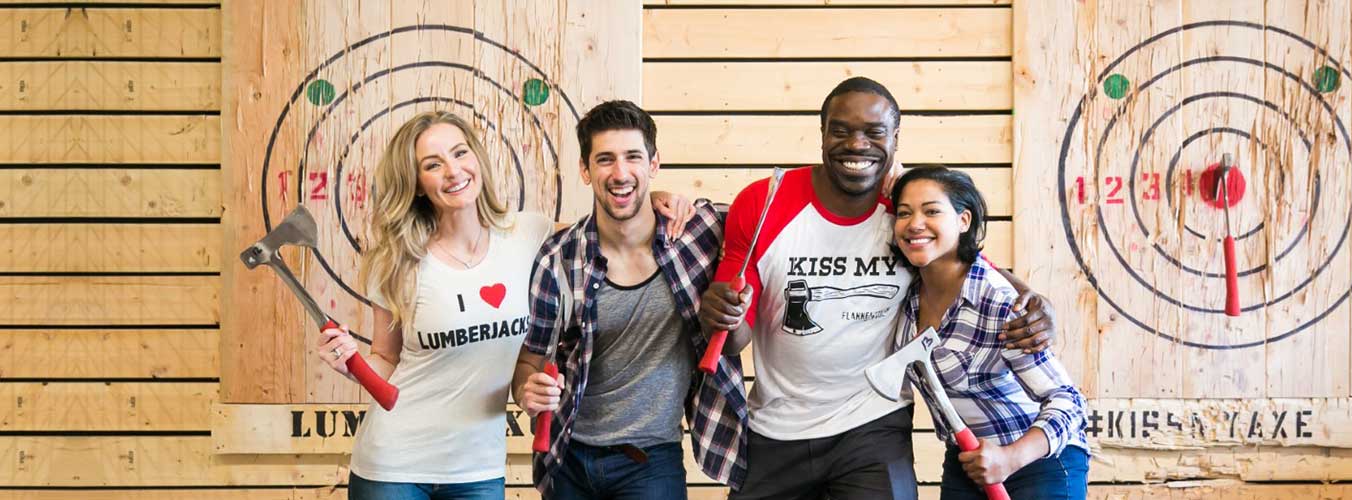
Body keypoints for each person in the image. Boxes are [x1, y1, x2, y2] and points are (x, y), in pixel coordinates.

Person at [697, 77, 1059, 500]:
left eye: (874, 132)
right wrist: (720, 318)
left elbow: (967, 265)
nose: (857, 144)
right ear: (822, 134)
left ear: (895, 139)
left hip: (873, 424)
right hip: (776, 429)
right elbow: (730, 339)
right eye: (841, 130)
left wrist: (1036, 301)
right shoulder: (765, 202)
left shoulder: (906, 210)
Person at [315, 110, 693, 500]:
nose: (452, 170)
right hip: (394, 464)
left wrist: (659, 198)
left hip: (478, 468)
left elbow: (609, 224)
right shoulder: (397, 258)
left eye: (460, 153)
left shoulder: (529, 234)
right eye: (432, 164)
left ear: (477, 159)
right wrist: (349, 364)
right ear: (416, 183)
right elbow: (385, 360)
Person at [514, 100, 750, 499]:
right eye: (605, 159)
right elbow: (529, 361)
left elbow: (769, 211)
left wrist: (891, 188)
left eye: (633, 157)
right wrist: (525, 391)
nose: (620, 173)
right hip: (569, 456)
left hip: (651, 459)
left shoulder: (700, 230)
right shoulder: (559, 258)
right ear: (586, 171)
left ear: (654, 164)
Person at [890, 166, 1089, 500]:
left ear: (963, 221)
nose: (915, 224)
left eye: (932, 211)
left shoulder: (999, 302)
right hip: (967, 461)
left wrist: (1009, 458)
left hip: (1037, 460)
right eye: (904, 213)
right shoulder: (906, 294)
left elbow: (1069, 403)